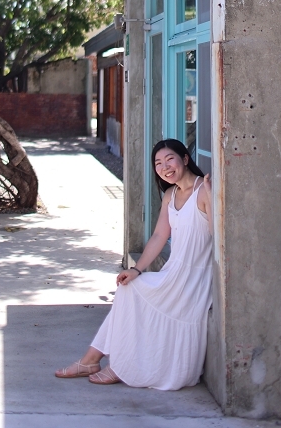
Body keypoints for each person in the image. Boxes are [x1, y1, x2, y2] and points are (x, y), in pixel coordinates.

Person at [55, 139, 213, 390]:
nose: (164, 167)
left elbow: (220, 235)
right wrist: (137, 269)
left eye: (169, 159)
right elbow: (160, 236)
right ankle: (93, 360)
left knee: (131, 292)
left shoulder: (204, 191)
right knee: (130, 285)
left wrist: (216, 199)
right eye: (158, 163)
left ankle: (103, 362)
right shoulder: (170, 195)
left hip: (193, 281)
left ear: (185, 159)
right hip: (172, 273)